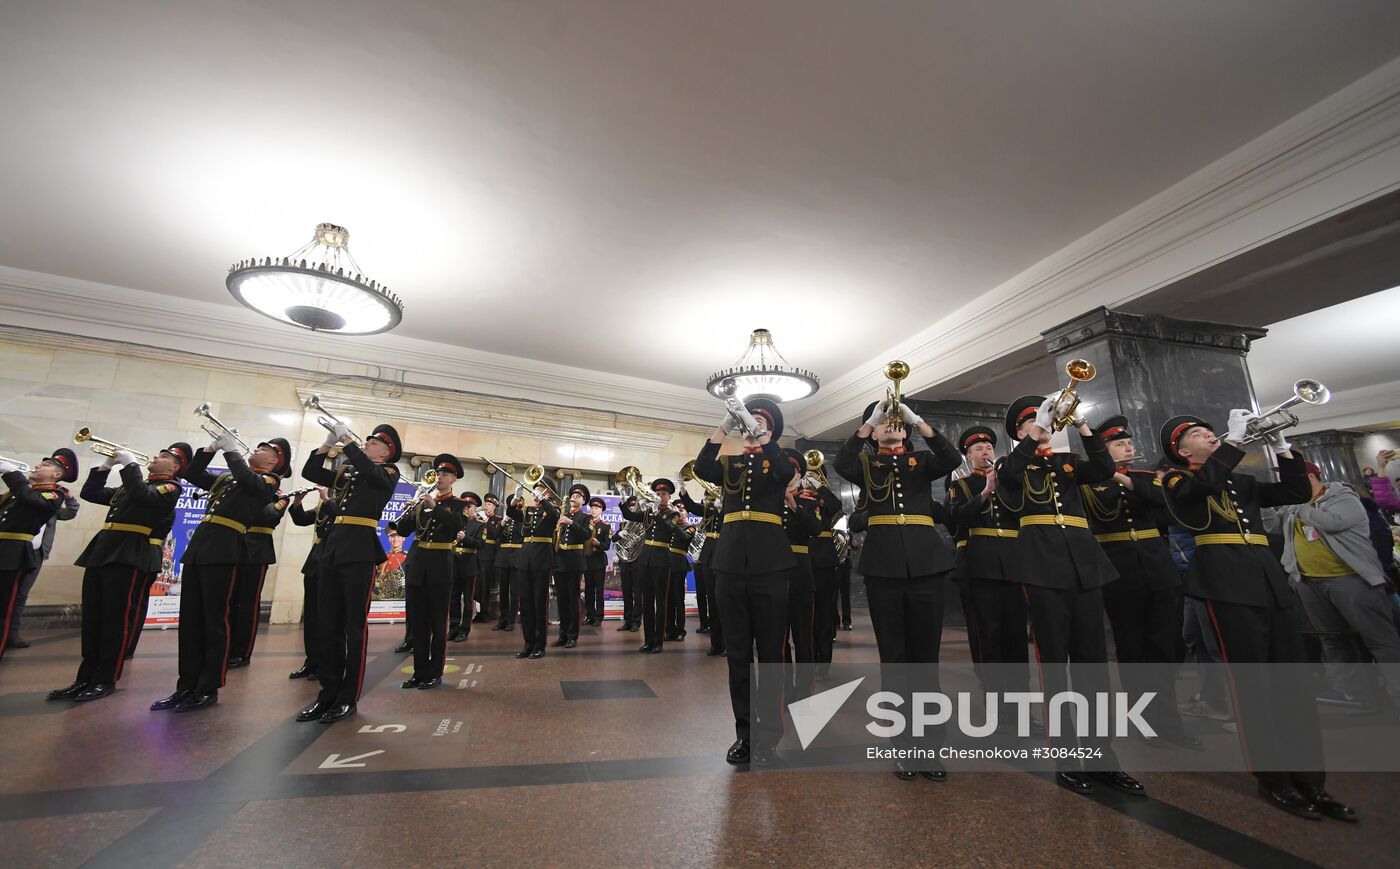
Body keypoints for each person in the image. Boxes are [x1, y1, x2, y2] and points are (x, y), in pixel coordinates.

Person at [1160, 411, 1355, 821]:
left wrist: (1282, 447)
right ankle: (1274, 778)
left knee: (1292, 682)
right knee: (1253, 684)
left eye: (1211, 432)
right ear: (1182, 451)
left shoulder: (1242, 481)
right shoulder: (1176, 481)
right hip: (1225, 585)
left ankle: (1311, 781)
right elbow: (1203, 487)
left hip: (1267, 580)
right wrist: (1232, 441)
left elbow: (1296, 491)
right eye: (1199, 434)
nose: (1209, 436)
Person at [997, 395, 1144, 797]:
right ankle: (1066, 757)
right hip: (1042, 566)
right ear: (1019, 432)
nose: (1043, 423)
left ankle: (1102, 756)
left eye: (1045, 418)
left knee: (1093, 664)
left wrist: (1081, 425)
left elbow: (1104, 468)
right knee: (1055, 665)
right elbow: (1009, 479)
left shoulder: (1069, 463)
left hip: (1084, 564)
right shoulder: (1012, 463)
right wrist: (1036, 432)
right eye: (1029, 422)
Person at [835, 399, 961, 781]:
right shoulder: (866, 465)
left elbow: (951, 458)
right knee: (894, 662)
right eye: (883, 422)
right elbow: (841, 464)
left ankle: (930, 748)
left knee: (926, 662)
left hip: (926, 568)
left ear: (905, 431)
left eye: (895, 421)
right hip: (883, 570)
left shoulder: (922, 461)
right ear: (874, 434)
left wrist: (916, 419)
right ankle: (903, 747)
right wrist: (868, 422)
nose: (891, 425)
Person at [1081, 417, 1199, 750]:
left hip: (1158, 569)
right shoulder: (1088, 484)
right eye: (1119, 444)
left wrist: (1121, 476)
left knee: (1163, 647)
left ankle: (1170, 722)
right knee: (1132, 649)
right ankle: (1143, 721)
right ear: (1103, 450)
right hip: (1120, 573)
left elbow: (1168, 507)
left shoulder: (1148, 478)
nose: (1128, 447)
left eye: (1129, 443)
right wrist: (1106, 473)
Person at [694, 396, 795, 765]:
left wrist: (763, 436)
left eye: (761, 422)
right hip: (730, 566)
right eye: (749, 421)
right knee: (737, 656)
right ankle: (745, 735)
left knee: (770, 655)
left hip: (771, 567)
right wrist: (727, 422)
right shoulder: (730, 463)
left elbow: (784, 473)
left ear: (772, 431)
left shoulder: (778, 461)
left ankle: (769, 737)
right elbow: (702, 466)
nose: (753, 426)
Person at [153, 434, 284, 713]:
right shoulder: (230, 480)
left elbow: (248, 479)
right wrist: (210, 449)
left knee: (214, 620)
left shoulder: (269, 481)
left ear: (274, 461)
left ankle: (207, 687)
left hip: (226, 548)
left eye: (263, 449)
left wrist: (232, 452)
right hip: (201, 546)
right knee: (191, 621)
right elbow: (193, 474)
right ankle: (185, 686)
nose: (256, 449)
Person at [49, 444, 185, 702]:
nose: (155, 456)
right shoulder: (132, 487)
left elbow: (143, 496)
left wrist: (131, 464)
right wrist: (106, 466)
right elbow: (91, 493)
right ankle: (84, 678)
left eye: (164, 456)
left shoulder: (169, 488)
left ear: (175, 467)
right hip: (104, 551)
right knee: (93, 618)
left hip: (131, 554)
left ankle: (105, 679)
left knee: (116, 620)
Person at [1263, 459, 1400, 710]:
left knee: (1379, 639)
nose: (1283, 483)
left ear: (1309, 477)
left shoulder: (1343, 498)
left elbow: (1332, 523)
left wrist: (1300, 504)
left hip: (1351, 579)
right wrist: (1263, 504)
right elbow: (1272, 526)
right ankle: (1351, 693)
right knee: (1332, 638)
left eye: (1289, 478)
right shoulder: (1292, 505)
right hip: (1308, 582)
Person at [295, 423, 402, 724]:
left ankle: (347, 697)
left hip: (359, 550)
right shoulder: (350, 470)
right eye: (365, 441)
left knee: (353, 627)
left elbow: (371, 473)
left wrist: (347, 441)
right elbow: (311, 472)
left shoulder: (389, 472)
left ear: (387, 451)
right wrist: (327, 443)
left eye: (373, 442)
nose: (366, 443)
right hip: (333, 548)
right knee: (327, 625)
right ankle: (327, 693)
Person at [945, 426, 1031, 715]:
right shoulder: (961, 485)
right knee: (987, 637)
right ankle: (997, 706)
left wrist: (1003, 482)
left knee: (1016, 638)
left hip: (1013, 565)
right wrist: (985, 492)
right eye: (979, 449)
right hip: (979, 567)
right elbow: (956, 516)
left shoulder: (1011, 482)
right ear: (968, 456)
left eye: (989, 447)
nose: (986, 452)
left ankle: (1020, 707)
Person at [1, 448, 79, 662]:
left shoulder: (51, 495)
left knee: (13, 598)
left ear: (56, 475)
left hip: (26, 552)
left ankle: (11, 635)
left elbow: (66, 513)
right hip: (7, 548)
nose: (37, 466)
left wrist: (11, 473)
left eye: (45, 465)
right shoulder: (23, 492)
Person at [402, 455, 466, 690]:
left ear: (454, 479)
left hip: (440, 565)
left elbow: (457, 525)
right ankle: (419, 671)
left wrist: (434, 507)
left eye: (445, 474)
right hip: (418, 563)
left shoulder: (459, 504)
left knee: (438, 622)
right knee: (417, 622)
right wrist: (410, 510)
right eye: (438, 473)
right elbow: (402, 529)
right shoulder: (423, 501)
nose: (440, 477)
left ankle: (435, 672)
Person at [228, 443, 294, 669]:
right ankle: (226, 646)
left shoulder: (279, 495)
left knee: (248, 602)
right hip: (235, 545)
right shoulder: (246, 487)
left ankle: (242, 652)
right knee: (229, 600)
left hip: (257, 550)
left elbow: (267, 514)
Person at [620, 477, 680, 653]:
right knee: (646, 601)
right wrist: (623, 495)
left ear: (669, 497)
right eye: (658, 493)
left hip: (662, 560)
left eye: (663, 494)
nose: (660, 496)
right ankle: (648, 641)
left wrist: (656, 513)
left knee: (660, 602)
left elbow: (669, 529)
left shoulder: (673, 514)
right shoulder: (648, 513)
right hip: (645, 558)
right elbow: (629, 515)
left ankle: (658, 642)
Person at [286, 486, 335, 681]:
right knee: (312, 615)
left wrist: (326, 498)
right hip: (315, 560)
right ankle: (311, 662)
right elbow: (301, 520)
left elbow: (339, 517)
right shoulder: (323, 506)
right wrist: (297, 502)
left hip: (332, 558)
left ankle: (326, 664)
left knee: (326, 616)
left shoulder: (344, 503)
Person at [508, 481, 560, 659]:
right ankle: (528, 643)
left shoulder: (552, 509)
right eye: (536, 489)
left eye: (540, 489)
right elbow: (511, 513)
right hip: (525, 559)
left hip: (542, 559)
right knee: (525, 603)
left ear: (548, 493)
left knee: (539, 603)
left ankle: (539, 645)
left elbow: (553, 516)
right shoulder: (528, 510)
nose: (536, 491)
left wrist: (543, 500)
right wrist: (516, 499)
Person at [551, 483, 593, 648]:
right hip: (560, 560)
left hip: (575, 561)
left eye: (578, 496)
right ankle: (562, 635)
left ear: (583, 501)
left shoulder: (586, 517)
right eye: (573, 496)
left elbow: (586, 535)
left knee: (572, 599)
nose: (574, 498)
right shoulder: (563, 514)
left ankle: (572, 636)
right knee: (561, 599)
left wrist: (570, 523)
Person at [583, 496, 612, 625]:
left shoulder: (605, 526)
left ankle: (599, 616)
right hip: (587, 560)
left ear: (601, 510)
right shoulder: (585, 524)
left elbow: (607, 545)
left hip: (599, 561)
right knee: (588, 590)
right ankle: (589, 614)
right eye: (592, 508)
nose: (594, 510)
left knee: (599, 591)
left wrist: (598, 543)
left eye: (597, 508)